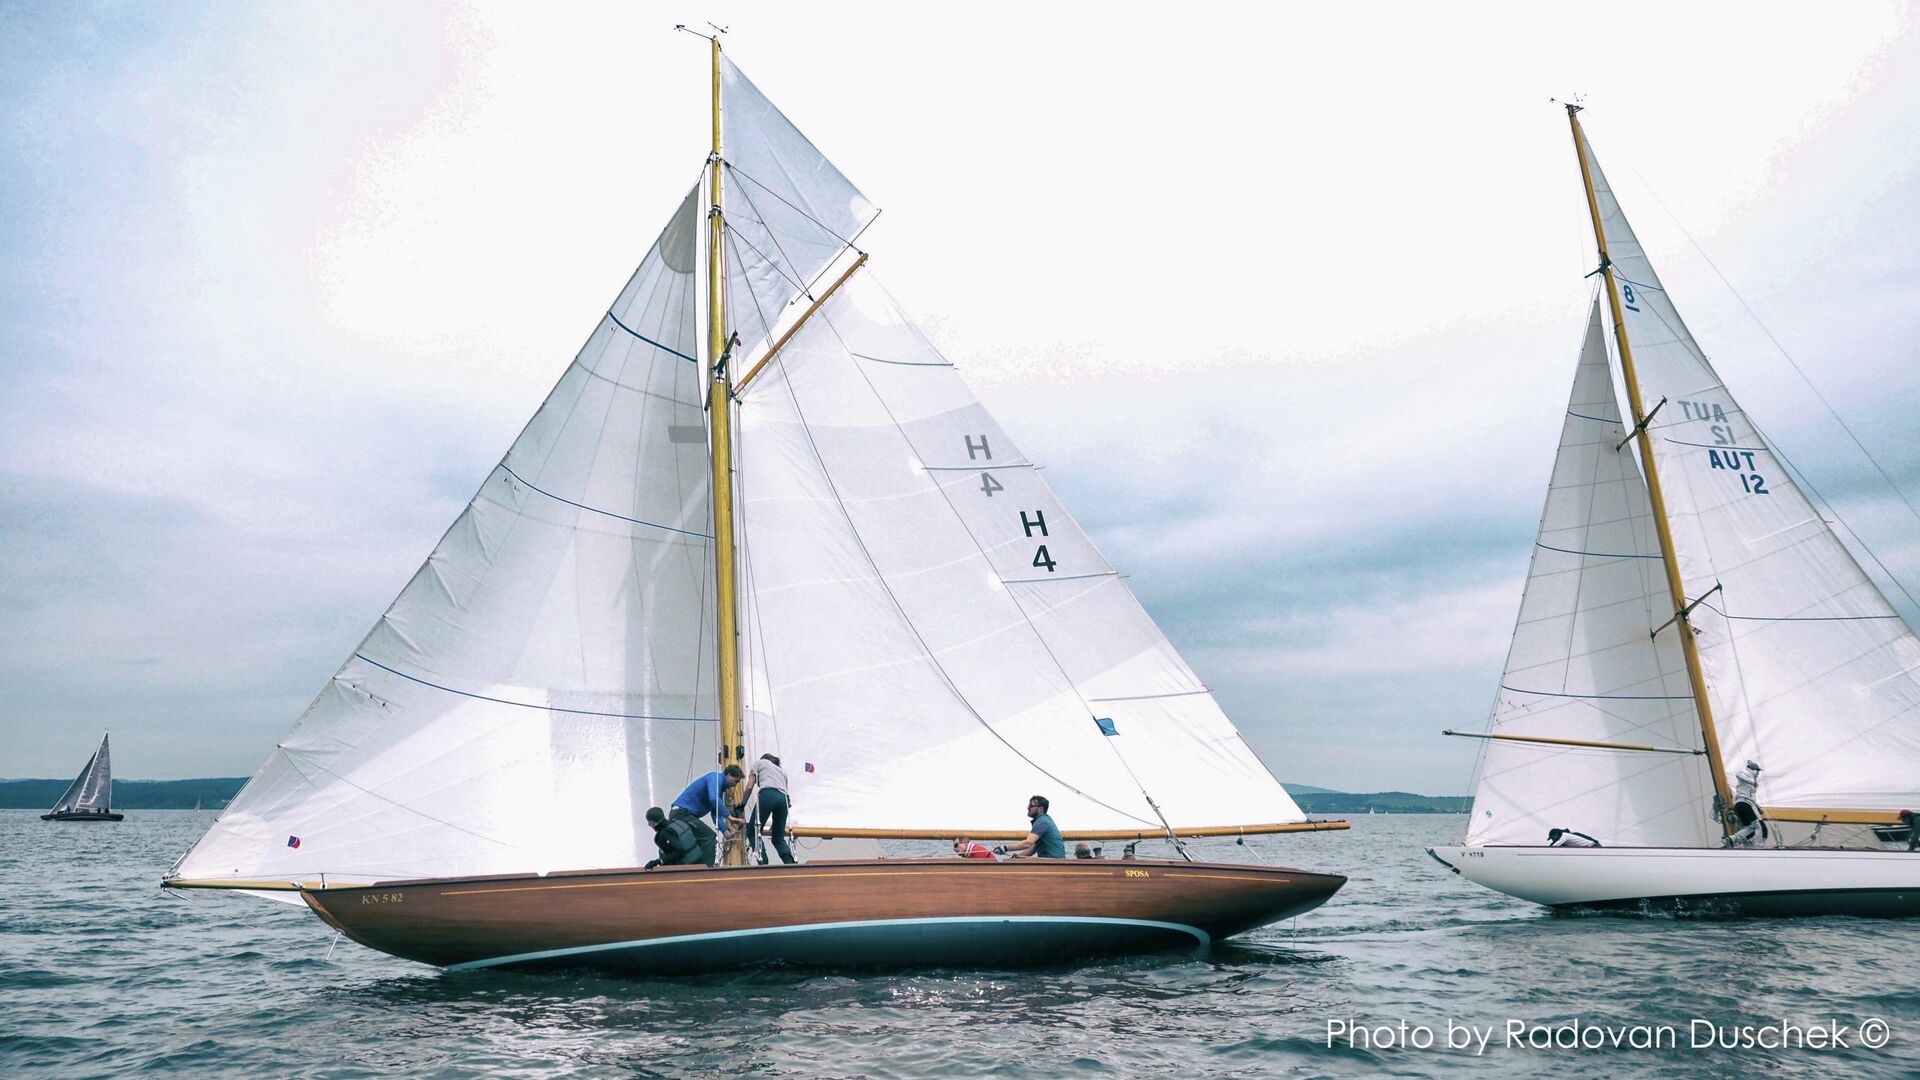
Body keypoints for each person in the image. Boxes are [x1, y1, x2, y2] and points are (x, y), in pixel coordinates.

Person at [740, 754, 795, 865]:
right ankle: (789, 862)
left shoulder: (759, 763)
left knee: (753, 831)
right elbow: (787, 799)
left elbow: (750, 786)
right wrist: (777, 823)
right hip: (783, 800)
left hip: (767, 795)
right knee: (778, 837)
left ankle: (763, 861)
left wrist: (742, 804)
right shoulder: (782, 771)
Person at [672, 765, 745, 846]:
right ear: (729, 775)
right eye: (736, 781)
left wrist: (726, 833)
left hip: (683, 814)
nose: (735, 785)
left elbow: (715, 814)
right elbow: (713, 799)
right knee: (709, 837)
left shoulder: (718, 791)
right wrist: (729, 817)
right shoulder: (715, 777)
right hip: (682, 813)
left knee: (695, 843)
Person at [644, 806, 713, 869]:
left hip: (684, 867)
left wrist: (659, 861)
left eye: (650, 823)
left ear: (655, 822)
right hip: (698, 859)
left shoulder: (663, 834)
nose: (650, 825)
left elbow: (679, 852)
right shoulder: (676, 823)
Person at [1001, 795, 1066, 859]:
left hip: (1054, 863)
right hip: (1056, 862)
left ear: (1040, 809)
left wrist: (1004, 848)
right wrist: (1015, 858)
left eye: (1031, 806)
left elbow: (1028, 843)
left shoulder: (1042, 822)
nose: (1028, 808)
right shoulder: (1045, 820)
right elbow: (1033, 848)